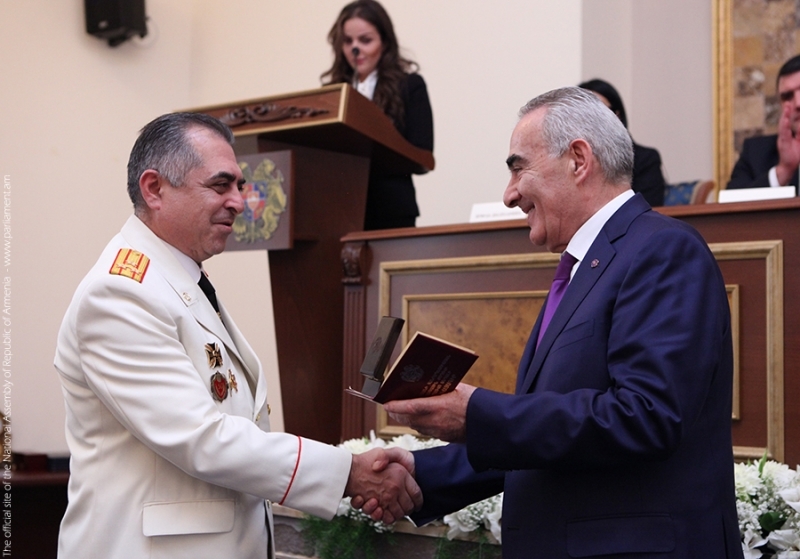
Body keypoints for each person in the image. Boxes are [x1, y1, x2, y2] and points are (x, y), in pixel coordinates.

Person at [381, 87, 743, 558]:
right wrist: (420, 472)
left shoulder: (663, 250)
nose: (509, 194)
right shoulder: (586, 267)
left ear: (578, 160)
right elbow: (555, 440)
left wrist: (478, 414)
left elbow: (645, 416)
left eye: (518, 168)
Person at [54, 112, 421, 558]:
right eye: (220, 185)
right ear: (154, 189)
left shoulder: (178, 281)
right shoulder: (119, 293)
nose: (239, 202)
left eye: (239, 186)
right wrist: (348, 473)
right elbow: (201, 439)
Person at [321, 0, 433, 230]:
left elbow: (423, 154)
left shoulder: (409, 86)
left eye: (365, 40)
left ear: (384, 42)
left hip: (391, 210)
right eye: (348, 41)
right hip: (339, 209)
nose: (355, 49)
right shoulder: (332, 94)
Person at [579, 78, 666, 206]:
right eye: (584, 113)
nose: (592, 119)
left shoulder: (645, 158)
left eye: (600, 112)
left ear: (617, 115)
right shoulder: (568, 160)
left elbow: (648, 207)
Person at [727, 54, 800, 192]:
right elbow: (731, 203)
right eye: (787, 96)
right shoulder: (755, 153)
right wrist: (783, 171)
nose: (798, 103)